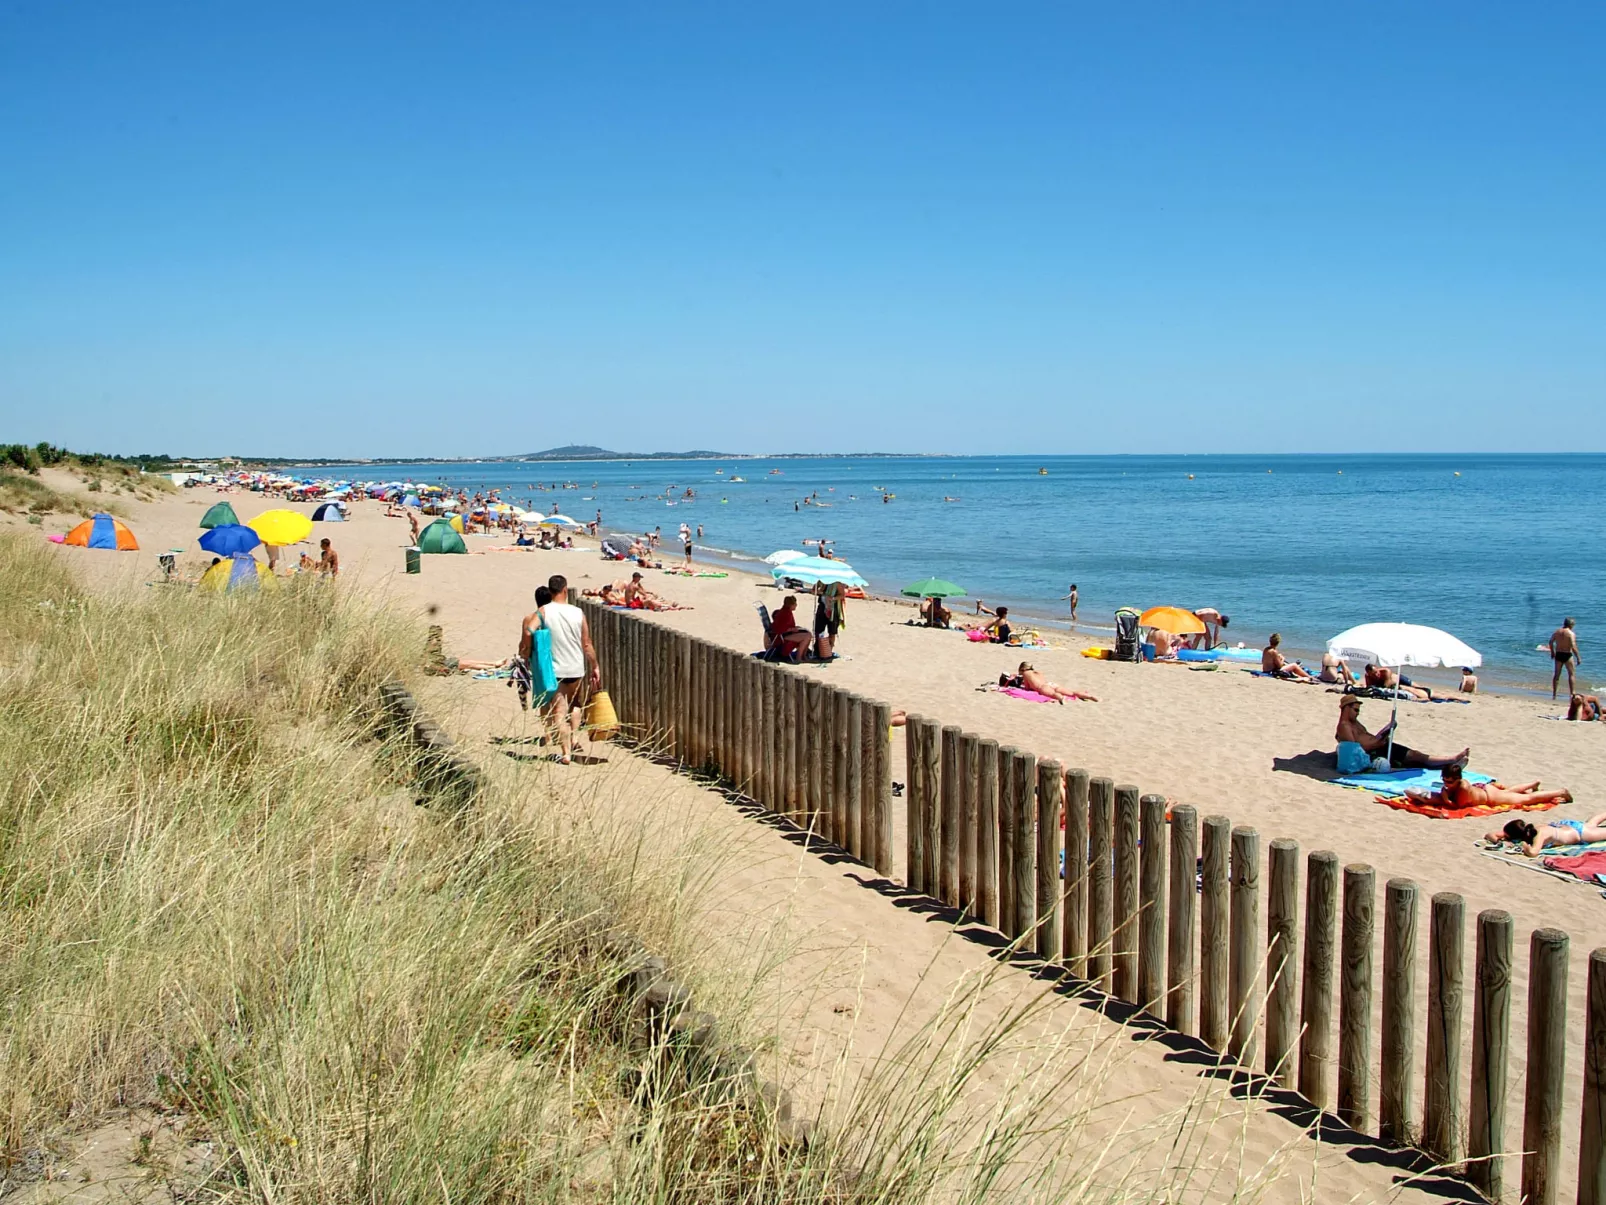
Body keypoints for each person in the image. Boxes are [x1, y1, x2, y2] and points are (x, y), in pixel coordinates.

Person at [529, 575, 599, 765]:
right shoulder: (578, 612)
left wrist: (532, 648)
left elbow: (530, 629)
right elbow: (586, 643)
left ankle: (566, 754)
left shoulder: (544, 611)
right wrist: (595, 666)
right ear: (565, 590)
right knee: (575, 703)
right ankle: (574, 738)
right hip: (576, 668)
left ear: (550, 591)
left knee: (559, 711)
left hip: (556, 669)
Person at [1335, 695, 1468, 773]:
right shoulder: (1345, 726)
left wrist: (1381, 736)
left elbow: (1365, 739)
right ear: (1346, 708)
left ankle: (1450, 763)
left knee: (1413, 758)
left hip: (1380, 746)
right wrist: (1377, 744)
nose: (1358, 713)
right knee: (1414, 757)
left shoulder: (1354, 723)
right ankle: (1451, 760)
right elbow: (1355, 751)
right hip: (1375, 752)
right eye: (1355, 710)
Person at [1003, 661, 1098, 703]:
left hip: (1043, 687)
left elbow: (1027, 688)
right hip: (1051, 684)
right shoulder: (1038, 672)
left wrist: (1024, 684)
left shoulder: (1026, 673)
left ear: (1022, 669)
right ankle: (1089, 696)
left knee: (1053, 694)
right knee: (1072, 692)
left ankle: (1061, 698)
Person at [768, 595, 813, 659]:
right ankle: (799, 657)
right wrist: (792, 629)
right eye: (795, 603)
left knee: (808, 634)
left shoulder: (786, 611)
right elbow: (780, 629)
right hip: (782, 637)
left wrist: (795, 628)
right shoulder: (785, 613)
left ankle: (803, 656)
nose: (796, 605)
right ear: (790, 605)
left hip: (785, 634)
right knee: (807, 636)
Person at [1363, 663, 1433, 701]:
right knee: (1408, 690)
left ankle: (1428, 693)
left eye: (1376, 672)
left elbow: (1386, 686)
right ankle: (1423, 695)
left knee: (1418, 687)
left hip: (1399, 679)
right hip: (1392, 685)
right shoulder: (1367, 676)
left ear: (1378, 669)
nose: (1376, 675)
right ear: (1368, 674)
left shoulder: (1386, 671)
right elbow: (1369, 687)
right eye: (1373, 674)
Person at [1549, 618, 1580, 700]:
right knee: (1571, 674)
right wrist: (1578, 657)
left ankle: (1554, 694)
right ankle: (1572, 693)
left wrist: (1552, 652)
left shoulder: (1557, 632)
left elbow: (1551, 642)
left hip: (1558, 654)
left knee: (1557, 675)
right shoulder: (1571, 633)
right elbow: (1573, 646)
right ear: (1571, 625)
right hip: (1567, 654)